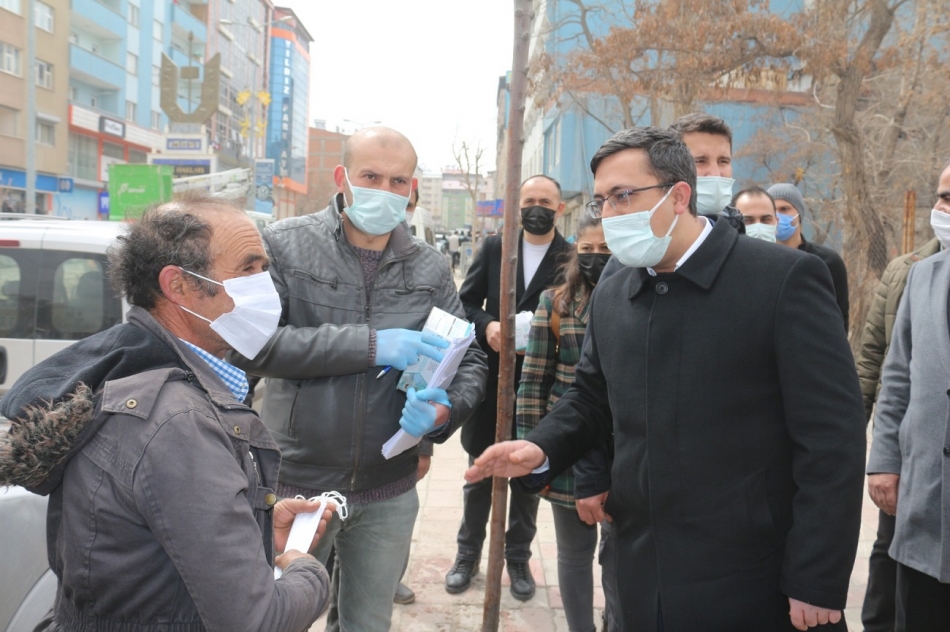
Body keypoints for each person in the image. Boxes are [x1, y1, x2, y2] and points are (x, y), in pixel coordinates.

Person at [466, 127, 866, 631]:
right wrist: (541, 446)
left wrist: (816, 575)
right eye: (601, 201)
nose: (609, 214)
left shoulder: (783, 280)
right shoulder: (615, 286)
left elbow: (832, 438)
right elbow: (591, 397)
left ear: (679, 196)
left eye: (623, 196)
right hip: (637, 566)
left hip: (750, 575)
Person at [0, 194, 332, 631]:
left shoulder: (127, 369)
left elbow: (151, 545)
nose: (265, 287)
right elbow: (257, 621)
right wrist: (307, 570)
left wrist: (253, 530)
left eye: (264, 269)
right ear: (178, 286)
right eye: (248, 269)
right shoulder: (176, 422)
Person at [230, 126, 487, 632]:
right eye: (371, 176)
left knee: (368, 623)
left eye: (398, 181)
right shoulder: (284, 245)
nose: (385, 191)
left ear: (412, 188)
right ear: (342, 177)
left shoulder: (429, 267)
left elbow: (470, 359)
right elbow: (252, 346)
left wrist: (443, 412)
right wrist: (370, 345)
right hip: (296, 484)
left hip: (388, 486)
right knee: (276, 618)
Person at [448, 174, 572, 600]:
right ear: (517, 206)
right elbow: (465, 302)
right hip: (492, 379)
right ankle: (467, 555)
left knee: (528, 475)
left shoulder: (570, 257)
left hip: (539, 383)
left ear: (560, 209)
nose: (537, 208)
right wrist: (488, 326)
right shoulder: (496, 248)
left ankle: (517, 557)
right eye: (530, 200)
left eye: (546, 202)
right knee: (479, 473)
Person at [854, 168, 944, 632]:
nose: (944, 208)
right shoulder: (920, 275)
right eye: (943, 197)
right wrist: (883, 459)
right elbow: (893, 375)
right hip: (924, 491)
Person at [516, 212, 611, 631]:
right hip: (568, 444)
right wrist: (534, 455)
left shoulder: (641, 299)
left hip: (625, 446)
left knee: (620, 552)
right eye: (587, 249)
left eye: (606, 249)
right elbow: (533, 382)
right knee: (574, 553)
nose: (596, 257)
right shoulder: (555, 303)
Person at [768, 183, 850, 331]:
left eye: (784, 209)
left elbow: (840, 317)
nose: (778, 216)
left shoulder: (828, 262)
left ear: (799, 214)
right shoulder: (761, 261)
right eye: (772, 211)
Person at [669, 112, 745, 233]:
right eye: (700, 161)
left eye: (723, 161)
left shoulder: (742, 235)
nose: (715, 173)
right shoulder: (651, 239)